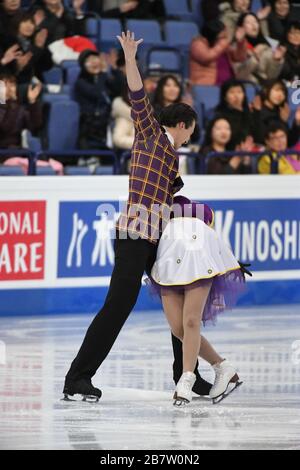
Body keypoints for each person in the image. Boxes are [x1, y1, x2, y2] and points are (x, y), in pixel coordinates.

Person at [62, 31, 211, 402]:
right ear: (181, 124)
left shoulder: (171, 158)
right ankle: (77, 378)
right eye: (189, 132)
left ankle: (186, 376)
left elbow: (170, 198)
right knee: (118, 304)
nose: (189, 139)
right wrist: (130, 58)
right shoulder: (151, 135)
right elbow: (138, 95)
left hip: (157, 238)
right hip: (133, 235)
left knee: (177, 303)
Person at [147, 195, 251, 405]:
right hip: (169, 266)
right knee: (179, 329)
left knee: (191, 321)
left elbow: (213, 243)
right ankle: (222, 366)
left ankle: (187, 379)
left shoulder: (197, 221)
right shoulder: (156, 218)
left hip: (199, 263)